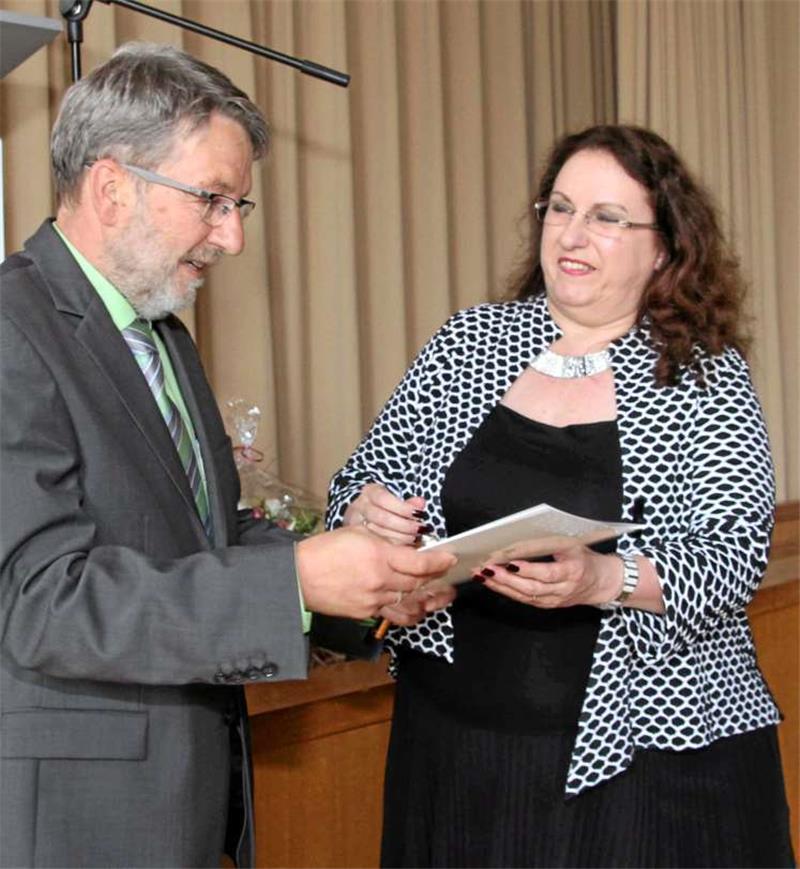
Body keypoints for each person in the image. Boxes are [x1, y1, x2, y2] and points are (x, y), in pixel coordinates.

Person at [0, 42, 455, 869]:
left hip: (182, 810)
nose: (232, 238)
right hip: (74, 825)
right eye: (213, 200)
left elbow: (208, 538)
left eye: (238, 206)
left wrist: (364, 588)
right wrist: (296, 581)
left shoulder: (162, 336)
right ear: (111, 187)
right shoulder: (9, 327)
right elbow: (42, 599)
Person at [327, 124, 796, 868]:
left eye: (608, 218)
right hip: (457, 745)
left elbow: (733, 556)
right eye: (561, 208)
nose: (574, 233)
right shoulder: (467, 343)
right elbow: (357, 482)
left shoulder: (703, 377)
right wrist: (363, 514)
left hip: (648, 760)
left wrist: (603, 577)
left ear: (665, 247)